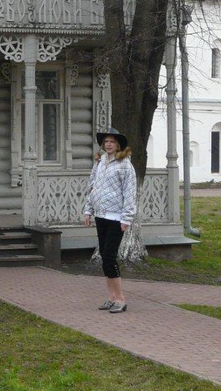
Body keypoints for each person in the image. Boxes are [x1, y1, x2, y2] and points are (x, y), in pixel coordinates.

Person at [83, 128, 137, 313]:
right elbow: (92, 187)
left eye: (112, 142)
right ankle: (111, 297)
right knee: (104, 258)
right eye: (106, 141)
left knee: (109, 257)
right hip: (101, 215)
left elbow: (129, 192)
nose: (108, 144)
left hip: (116, 217)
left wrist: (126, 218)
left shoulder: (124, 165)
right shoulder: (99, 163)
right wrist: (88, 211)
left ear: (118, 145)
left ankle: (121, 299)